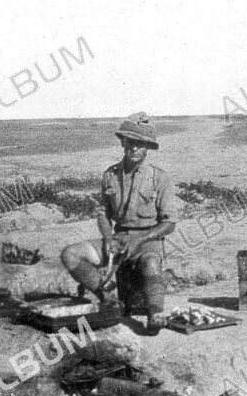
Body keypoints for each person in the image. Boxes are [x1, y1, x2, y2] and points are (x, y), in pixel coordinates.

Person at [60, 112, 177, 333]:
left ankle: (155, 315)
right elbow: (103, 213)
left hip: (147, 241)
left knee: (151, 262)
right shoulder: (110, 175)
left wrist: (142, 238)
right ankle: (108, 297)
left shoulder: (159, 178)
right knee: (70, 253)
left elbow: (170, 223)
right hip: (118, 239)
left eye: (139, 144)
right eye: (129, 142)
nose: (133, 148)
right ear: (122, 142)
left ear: (147, 148)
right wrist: (107, 238)